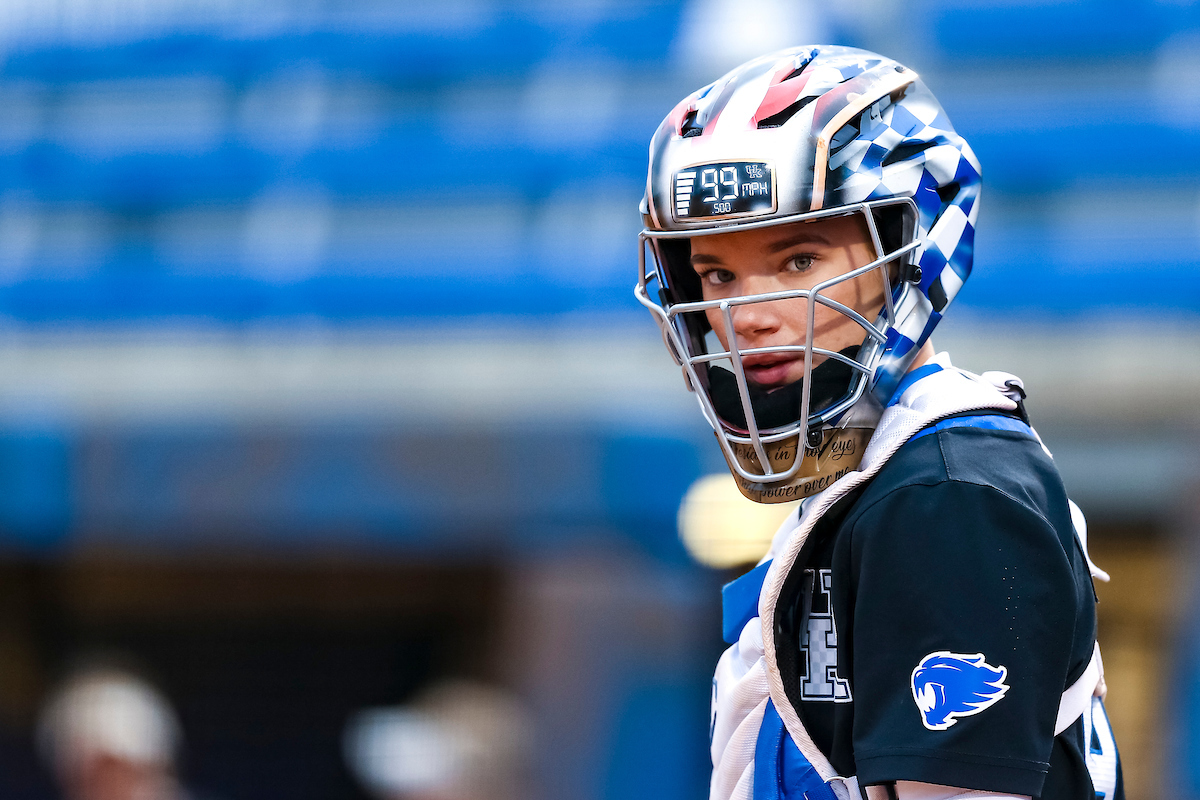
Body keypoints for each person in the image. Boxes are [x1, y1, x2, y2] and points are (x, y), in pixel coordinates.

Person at [635, 45, 1122, 800]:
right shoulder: (881, 475)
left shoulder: (947, 494)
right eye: (717, 274)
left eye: (798, 260)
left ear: (913, 244)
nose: (749, 314)